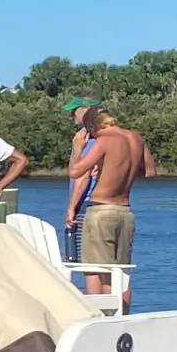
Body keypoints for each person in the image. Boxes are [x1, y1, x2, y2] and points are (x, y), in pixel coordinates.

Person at [67, 109, 156, 310]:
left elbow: (75, 171)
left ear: (93, 127)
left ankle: (108, 318)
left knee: (103, 272)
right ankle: (123, 317)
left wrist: (78, 148)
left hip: (100, 210)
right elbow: (149, 172)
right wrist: (117, 169)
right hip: (124, 211)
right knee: (121, 273)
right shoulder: (135, 138)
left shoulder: (104, 140)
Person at [60, 97, 101, 262]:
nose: (72, 116)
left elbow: (82, 174)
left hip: (86, 204)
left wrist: (71, 207)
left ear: (85, 110)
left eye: (74, 111)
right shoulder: (103, 138)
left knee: (87, 262)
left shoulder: (88, 140)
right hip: (105, 204)